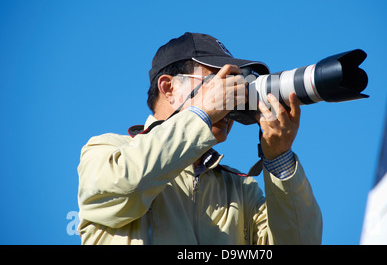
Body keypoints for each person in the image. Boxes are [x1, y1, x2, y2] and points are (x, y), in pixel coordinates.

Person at [77, 32, 322, 244]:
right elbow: (125, 186)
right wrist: (201, 113)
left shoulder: (241, 190)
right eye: (216, 83)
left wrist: (280, 160)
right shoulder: (107, 151)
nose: (229, 99)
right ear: (168, 88)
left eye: (236, 87)